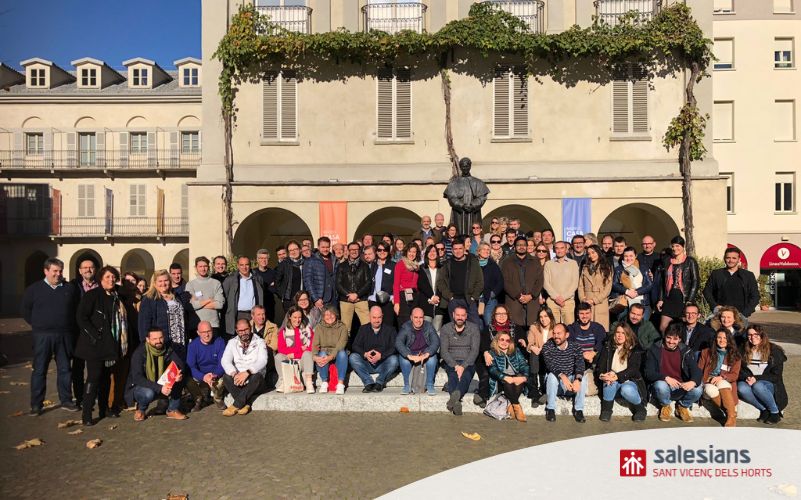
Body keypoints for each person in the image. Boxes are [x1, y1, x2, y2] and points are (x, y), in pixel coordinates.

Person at [75, 265, 128, 425]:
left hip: (111, 344)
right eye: (107, 277)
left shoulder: (116, 296)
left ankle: (104, 408)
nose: (111, 280)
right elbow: (81, 317)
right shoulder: (92, 295)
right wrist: (95, 335)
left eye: (113, 277)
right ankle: (87, 414)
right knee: (94, 377)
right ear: (100, 279)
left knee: (106, 378)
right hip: (95, 345)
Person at [644, 323, 703, 423]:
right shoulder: (655, 349)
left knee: (698, 389)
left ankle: (682, 406)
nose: (671, 342)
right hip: (663, 386)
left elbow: (696, 370)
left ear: (679, 340)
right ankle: (665, 406)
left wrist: (692, 381)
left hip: (680, 385)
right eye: (668, 338)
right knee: (660, 385)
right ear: (664, 336)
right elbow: (648, 373)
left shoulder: (686, 351)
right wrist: (665, 377)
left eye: (675, 339)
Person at [128, 327, 186, 421]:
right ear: (147, 339)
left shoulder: (168, 348)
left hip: (163, 382)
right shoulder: (139, 353)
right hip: (143, 386)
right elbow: (137, 378)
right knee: (148, 393)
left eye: (160, 338)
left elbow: (179, 365)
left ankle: (172, 409)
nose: (158, 341)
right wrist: (159, 388)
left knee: (180, 379)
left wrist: (178, 374)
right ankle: (141, 409)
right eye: (154, 339)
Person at [594, 322, 647, 421]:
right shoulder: (608, 347)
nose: (620, 335)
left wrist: (617, 376)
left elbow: (633, 370)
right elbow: (600, 366)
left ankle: (640, 409)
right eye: (617, 332)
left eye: (623, 333)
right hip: (612, 381)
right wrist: (602, 375)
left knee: (626, 389)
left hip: (629, 381)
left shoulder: (635, 349)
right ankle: (606, 410)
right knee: (608, 382)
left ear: (628, 335)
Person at [737, 325, 787, 424]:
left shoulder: (774, 351)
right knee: (741, 388)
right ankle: (763, 409)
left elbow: (776, 376)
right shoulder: (743, 349)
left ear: (762, 335)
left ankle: (775, 412)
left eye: (756, 334)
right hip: (749, 380)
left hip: (769, 384)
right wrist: (747, 377)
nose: (752, 337)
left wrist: (756, 378)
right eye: (750, 335)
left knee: (758, 386)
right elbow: (739, 369)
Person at [138, 269, 191, 361]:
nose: (163, 283)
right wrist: (147, 345)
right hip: (162, 344)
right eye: (160, 281)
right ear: (154, 283)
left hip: (180, 343)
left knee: (179, 371)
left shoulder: (176, 296)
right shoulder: (149, 299)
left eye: (166, 280)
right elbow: (143, 325)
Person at [542, 323, 588, 422]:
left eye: (559, 333)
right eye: (554, 333)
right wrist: (562, 376)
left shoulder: (575, 347)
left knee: (583, 378)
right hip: (557, 384)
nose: (556, 336)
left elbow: (580, 364)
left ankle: (578, 410)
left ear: (567, 335)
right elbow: (550, 365)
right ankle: (550, 409)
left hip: (571, 384)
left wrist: (577, 379)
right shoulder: (547, 346)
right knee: (551, 376)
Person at [221, 319, 268, 416]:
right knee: (226, 377)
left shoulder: (260, 342)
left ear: (250, 329)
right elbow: (225, 360)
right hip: (238, 379)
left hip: (254, 380)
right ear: (237, 331)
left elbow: (263, 360)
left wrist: (247, 372)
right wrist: (234, 373)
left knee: (257, 377)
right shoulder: (231, 342)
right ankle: (246, 404)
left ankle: (236, 404)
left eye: (246, 329)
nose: (243, 333)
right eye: (240, 331)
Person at [440, 306, 480, 416]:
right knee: (452, 375)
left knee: (467, 374)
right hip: (451, 360)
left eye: (463, 315)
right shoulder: (446, 328)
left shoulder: (473, 328)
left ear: (466, 316)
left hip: (468, 360)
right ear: (453, 315)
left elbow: (475, 350)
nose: (460, 318)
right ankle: (456, 400)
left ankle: (455, 397)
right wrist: (455, 365)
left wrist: (464, 365)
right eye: (458, 315)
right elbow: (444, 351)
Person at [349, 306, 399, 392]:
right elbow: (355, 345)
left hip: (383, 364)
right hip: (367, 363)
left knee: (394, 360)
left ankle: (379, 382)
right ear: (369, 316)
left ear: (382, 316)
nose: (377, 320)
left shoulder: (390, 330)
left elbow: (395, 347)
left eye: (379, 317)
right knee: (353, 357)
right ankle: (368, 382)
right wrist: (365, 354)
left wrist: (381, 356)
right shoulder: (363, 329)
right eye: (374, 317)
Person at [698, 329, 742, 427]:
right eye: (719, 337)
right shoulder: (706, 352)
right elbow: (699, 371)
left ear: (729, 340)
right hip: (708, 382)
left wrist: (722, 377)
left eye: (725, 338)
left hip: (725, 382)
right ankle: (731, 412)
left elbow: (735, 375)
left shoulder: (735, 355)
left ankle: (730, 416)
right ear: (715, 339)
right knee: (710, 389)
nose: (722, 340)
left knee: (721, 383)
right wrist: (708, 379)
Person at [656, 235, 700, 333]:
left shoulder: (690, 261)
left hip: (683, 298)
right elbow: (663, 282)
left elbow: (695, 281)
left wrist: (690, 300)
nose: (675, 248)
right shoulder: (667, 261)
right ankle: (667, 346)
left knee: (683, 328)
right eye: (673, 246)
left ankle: (683, 347)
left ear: (683, 247)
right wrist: (660, 299)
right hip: (669, 298)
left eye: (677, 246)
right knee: (663, 327)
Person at [70, 258, 98, 409]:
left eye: (91, 267)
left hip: (96, 333)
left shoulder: (100, 286)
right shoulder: (73, 287)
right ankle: (80, 397)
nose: (88, 270)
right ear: (80, 270)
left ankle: (95, 395)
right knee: (78, 368)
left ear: (95, 270)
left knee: (96, 368)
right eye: (85, 267)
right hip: (78, 334)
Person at [475, 305, 516, 407]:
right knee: (485, 373)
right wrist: (485, 352)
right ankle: (483, 396)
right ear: (494, 316)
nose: (501, 316)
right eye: (498, 314)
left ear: (508, 315)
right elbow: (483, 343)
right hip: (490, 357)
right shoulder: (487, 329)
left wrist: (522, 341)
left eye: (504, 314)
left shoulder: (515, 328)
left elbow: (520, 344)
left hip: (508, 359)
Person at [703, 247, 759, 319]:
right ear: (724, 258)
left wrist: (745, 313)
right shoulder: (716, 274)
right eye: (728, 258)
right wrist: (715, 306)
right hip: (721, 315)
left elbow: (755, 296)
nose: (731, 260)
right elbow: (707, 291)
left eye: (734, 258)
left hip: (740, 316)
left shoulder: (748, 275)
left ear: (739, 259)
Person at [437, 239, 484, 326]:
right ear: (451, 250)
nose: (458, 251)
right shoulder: (447, 264)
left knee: (474, 327)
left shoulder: (473, 262)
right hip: (453, 300)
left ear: (464, 249)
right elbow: (440, 282)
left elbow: (480, 281)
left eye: (460, 248)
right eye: (455, 249)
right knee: (456, 328)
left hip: (469, 300)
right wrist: (449, 296)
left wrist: (474, 296)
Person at [395, 307, 440, 395]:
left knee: (432, 359)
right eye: (416, 317)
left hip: (424, 353)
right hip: (411, 353)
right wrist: (409, 355)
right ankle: (407, 385)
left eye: (421, 317)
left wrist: (427, 354)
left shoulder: (429, 326)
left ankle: (429, 385)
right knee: (404, 359)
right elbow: (398, 342)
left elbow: (436, 341)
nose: (418, 320)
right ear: (411, 318)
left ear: (423, 318)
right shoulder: (406, 327)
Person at [501, 236, 543, 330]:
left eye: (524, 245)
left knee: (532, 328)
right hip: (514, 300)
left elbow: (540, 280)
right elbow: (505, 281)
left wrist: (531, 295)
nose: (521, 247)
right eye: (519, 245)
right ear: (515, 247)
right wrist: (517, 295)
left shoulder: (535, 261)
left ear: (527, 247)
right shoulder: (507, 262)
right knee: (515, 328)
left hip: (531, 300)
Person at [488, 330, 530, 422]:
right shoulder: (492, 353)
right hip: (500, 380)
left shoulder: (516, 351)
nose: (504, 342)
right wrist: (505, 377)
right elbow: (492, 369)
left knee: (518, 377)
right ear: (497, 340)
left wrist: (524, 377)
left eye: (507, 340)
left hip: (515, 378)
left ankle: (512, 406)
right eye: (502, 339)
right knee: (508, 382)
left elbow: (524, 365)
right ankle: (517, 406)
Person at [185, 321, 226, 411]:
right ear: (198, 333)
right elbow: (191, 366)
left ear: (212, 330)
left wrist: (215, 375)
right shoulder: (193, 345)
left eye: (209, 331)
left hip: (215, 374)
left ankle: (217, 398)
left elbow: (222, 363)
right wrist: (203, 377)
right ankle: (198, 399)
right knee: (186, 378)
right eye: (203, 332)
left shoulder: (219, 342)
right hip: (200, 374)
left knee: (225, 377)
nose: (206, 335)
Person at [443, 157, 490, 235]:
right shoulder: (454, 183)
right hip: (459, 213)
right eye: (463, 166)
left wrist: (473, 205)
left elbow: (482, 197)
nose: (465, 168)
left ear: (470, 166)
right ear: (460, 167)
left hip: (473, 212)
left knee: (474, 231)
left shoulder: (478, 182)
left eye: (467, 166)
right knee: (458, 231)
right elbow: (451, 197)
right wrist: (461, 205)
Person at [275, 307, 315, 393]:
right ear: (289, 317)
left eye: (299, 317)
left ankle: (309, 382)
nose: (297, 320)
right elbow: (281, 349)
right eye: (295, 317)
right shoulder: (284, 331)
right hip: (289, 362)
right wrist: (300, 349)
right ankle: (283, 380)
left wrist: (294, 354)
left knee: (308, 353)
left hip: (303, 362)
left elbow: (311, 347)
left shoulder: (307, 330)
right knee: (278, 357)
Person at [223, 256, 265, 338]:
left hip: (253, 315)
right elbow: (224, 296)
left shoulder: (257, 278)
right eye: (241, 265)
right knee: (237, 339)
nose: (244, 267)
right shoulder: (231, 280)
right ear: (238, 266)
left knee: (253, 338)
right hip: (237, 314)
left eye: (247, 265)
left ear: (250, 265)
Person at [568, 302, 606, 388]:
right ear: (577, 314)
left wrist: (593, 353)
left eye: (587, 313)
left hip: (594, 360)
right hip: (577, 361)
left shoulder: (598, 327)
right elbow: (570, 346)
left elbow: (601, 342)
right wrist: (583, 355)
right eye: (581, 313)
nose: (584, 316)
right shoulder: (572, 328)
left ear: (591, 313)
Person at [337, 241, 372, 333]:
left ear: (359, 251)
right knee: (345, 329)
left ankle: (368, 346)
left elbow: (368, 283)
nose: (354, 251)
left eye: (356, 249)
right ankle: (345, 347)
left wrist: (357, 294)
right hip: (346, 301)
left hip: (361, 300)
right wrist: (348, 295)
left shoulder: (365, 266)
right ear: (348, 251)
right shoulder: (341, 266)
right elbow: (338, 284)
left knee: (367, 326)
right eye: (351, 249)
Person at [312, 305, 348, 394]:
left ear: (336, 315)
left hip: (337, 354)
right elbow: (316, 344)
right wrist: (314, 356)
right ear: (323, 316)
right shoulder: (319, 327)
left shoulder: (342, 327)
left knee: (343, 353)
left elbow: (341, 344)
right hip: (325, 353)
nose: (330, 317)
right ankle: (324, 382)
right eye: (327, 315)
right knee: (322, 354)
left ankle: (340, 384)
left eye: (332, 314)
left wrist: (331, 356)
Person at [185, 256, 225, 337]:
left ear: (208, 267)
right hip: (196, 325)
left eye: (205, 266)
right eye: (200, 266)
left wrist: (199, 303)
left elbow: (220, 304)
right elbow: (191, 305)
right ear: (196, 267)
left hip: (213, 325)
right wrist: (210, 300)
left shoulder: (216, 283)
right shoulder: (190, 285)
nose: (203, 269)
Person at [612, 246, 653, 320]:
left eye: (631, 256)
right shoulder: (619, 269)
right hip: (625, 302)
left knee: (642, 326)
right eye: (626, 256)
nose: (628, 258)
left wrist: (637, 292)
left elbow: (649, 284)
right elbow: (614, 284)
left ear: (635, 256)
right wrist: (627, 291)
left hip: (642, 302)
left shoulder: (643, 268)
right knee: (624, 326)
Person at [577, 244, 613, 330]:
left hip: (600, 301)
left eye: (593, 252)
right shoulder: (585, 267)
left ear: (598, 252)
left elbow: (608, 288)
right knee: (587, 328)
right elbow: (580, 286)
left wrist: (595, 300)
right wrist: (583, 299)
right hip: (587, 301)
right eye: (589, 253)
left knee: (600, 328)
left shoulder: (606, 267)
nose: (591, 255)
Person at [543, 241, 579, 324]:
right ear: (554, 250)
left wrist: (563, 298)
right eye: (557, 248)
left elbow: (575, 283)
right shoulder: (548, 264)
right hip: (552, 301)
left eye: (562, 248)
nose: (559, 250)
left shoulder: (573, 263)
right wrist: (556, 297)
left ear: (566, 249)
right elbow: (546, 283)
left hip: (568, 301)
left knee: (569, 327)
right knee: (553, 328)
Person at [526, 308, 555, 405]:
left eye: (546, 316)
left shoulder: (556, 328)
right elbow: (529, 343)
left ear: (550, 317)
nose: (543, 319)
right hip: (537, 358)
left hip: (550, 357)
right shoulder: (534, 327)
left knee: (541, 353)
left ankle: (543, 389)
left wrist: (543, 350)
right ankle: (535, 392)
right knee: (534, 353)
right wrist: (533, 347)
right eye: (541, 317)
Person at [302, 237, 337, 312]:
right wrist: (315, 298)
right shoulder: (311, 260)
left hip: (333, 298)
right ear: (318, 247)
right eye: (323, 247)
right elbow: (308, 281)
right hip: (320, 299)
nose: (325, 249)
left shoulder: (334, 259)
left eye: (327, 247)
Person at [366, 243, 395, 326]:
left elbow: (396, 283)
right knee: (374, 327)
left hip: (388, 301)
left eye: (384, 250)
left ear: (388, 251)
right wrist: (369, 296)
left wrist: (394, 298)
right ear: (376, 252)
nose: (382, 252)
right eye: (379, 250)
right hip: (374, 300)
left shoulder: (393, 265)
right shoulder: (373, 265)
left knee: (387, 326)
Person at [393, 243, 421, 328]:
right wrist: (396, 303)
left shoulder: (416, 266)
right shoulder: (400, 264)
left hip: (414, 297)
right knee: (404, 324)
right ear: (406, 252)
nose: (412, 254)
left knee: (414, 324)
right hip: (403, 297)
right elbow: (396, 284)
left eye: (414, 252)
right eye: (410, 251)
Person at [477, 242, 503, 329]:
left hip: (489, 300)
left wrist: (493, 294)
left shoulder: (493, 265)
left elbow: (500, 281)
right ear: (479, 251)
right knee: (478, 325)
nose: (486, 251)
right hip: (475, 300)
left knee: (489, 324)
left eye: (488, 249)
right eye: (484, 249)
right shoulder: (473, 264)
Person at [418, 245, 443, 330]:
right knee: (426, 332)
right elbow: (422, 285)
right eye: (430, 251)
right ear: (426, 254)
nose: (432, 253)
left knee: (437, 331)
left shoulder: (442, 268)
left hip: (439, 304)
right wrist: (431, 297)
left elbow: (444, 284)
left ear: (437, 254)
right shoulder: (421, 269)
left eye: (434, 251)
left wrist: (437, 298)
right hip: (426, 303)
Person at [275, 240, 304, 311]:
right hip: (289, 301)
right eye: (290, 250)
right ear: (288, 252)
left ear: (300, 249)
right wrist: (282, 296)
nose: (293, 252)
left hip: (304, 300)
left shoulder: (306, 262)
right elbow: (277, 281)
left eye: (295, 249)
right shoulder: (284, 264)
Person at [254, 248, 277, 323]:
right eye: (261, 258)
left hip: (269, 305)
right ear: (257, 260)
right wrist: (269, 286)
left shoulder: (273, 273)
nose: (263, 260)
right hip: (256, 305)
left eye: (266, 258)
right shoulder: (253, 273)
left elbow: (274, 289)